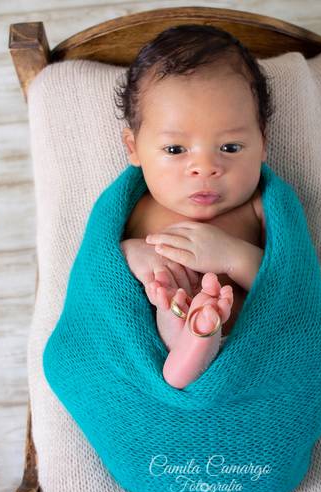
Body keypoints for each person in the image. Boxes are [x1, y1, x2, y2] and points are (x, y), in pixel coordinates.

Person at [116, 24, 273, 389]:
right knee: (170, 305)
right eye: (175, 150)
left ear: (263, 144)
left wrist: (233, 257)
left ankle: (199, 339)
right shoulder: (137, 208)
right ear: (134, 148)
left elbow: (292, 286)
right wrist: (133, 253)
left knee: (202, 316)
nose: (204, 168)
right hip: (151, 355)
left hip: (245, 358)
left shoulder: (259, 208)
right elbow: (98, 274)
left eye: (230, 147)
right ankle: (190, 342)